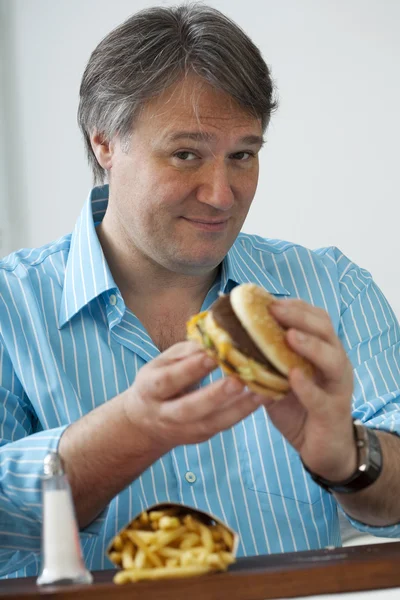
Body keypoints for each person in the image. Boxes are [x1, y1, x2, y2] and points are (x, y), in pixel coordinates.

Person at [0, 4, 399, 579]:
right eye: (186, 153)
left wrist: (348, 459)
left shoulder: (334, 291)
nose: (220, 193)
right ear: (105, 144)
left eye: (243, 155)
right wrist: (131, 431)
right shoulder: (12, 310)